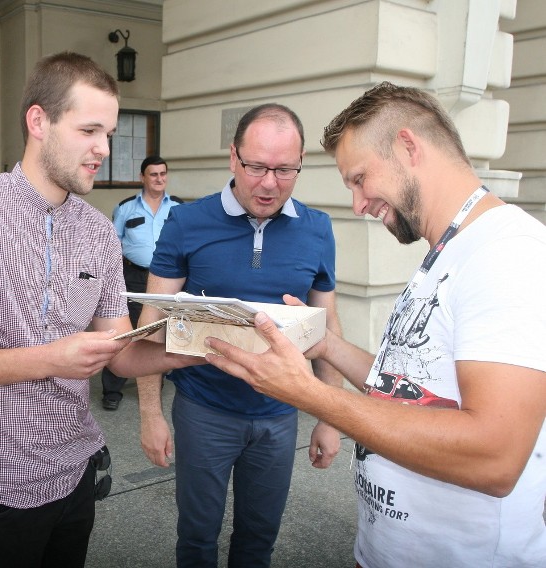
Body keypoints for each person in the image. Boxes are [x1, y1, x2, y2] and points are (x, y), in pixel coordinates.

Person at [205, 82, 546, 568]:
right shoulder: (449, 250)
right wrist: (324, 345)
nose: (360, 204)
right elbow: (409, 389)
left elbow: (494, 456)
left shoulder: (506, 253)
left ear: (408, 147)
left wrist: (310, 395)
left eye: (360, 178)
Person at [0, 52, 198, 568]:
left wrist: (201, 349)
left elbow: (120, 353)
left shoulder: (99, 232)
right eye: (89, 131)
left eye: (108, 133)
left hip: (76, 468)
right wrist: (51, 358)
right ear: (38, 120)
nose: (103, 150)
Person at [135, 104, 345, 567]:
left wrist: (331, 415)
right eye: (256, 167)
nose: (269, 183)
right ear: (233, 158)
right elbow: (151, 323)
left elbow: (328, 327)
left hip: (279, 414)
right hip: (204, 411)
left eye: (285, 170)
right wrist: (150, 414)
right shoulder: (187, 223)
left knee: (259, 538)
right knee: (197, 536)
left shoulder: (317, 229)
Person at [101, 155, 184, 410]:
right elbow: (113, 244)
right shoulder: (126, 208)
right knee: (126, 331)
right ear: (142, 177)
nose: (159, 179)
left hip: (170, 279)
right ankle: (112, 390)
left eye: (163, 174)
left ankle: (152, 385)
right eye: (153, 174)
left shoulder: (180, 208)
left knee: (160, 329)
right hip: (134, 275)